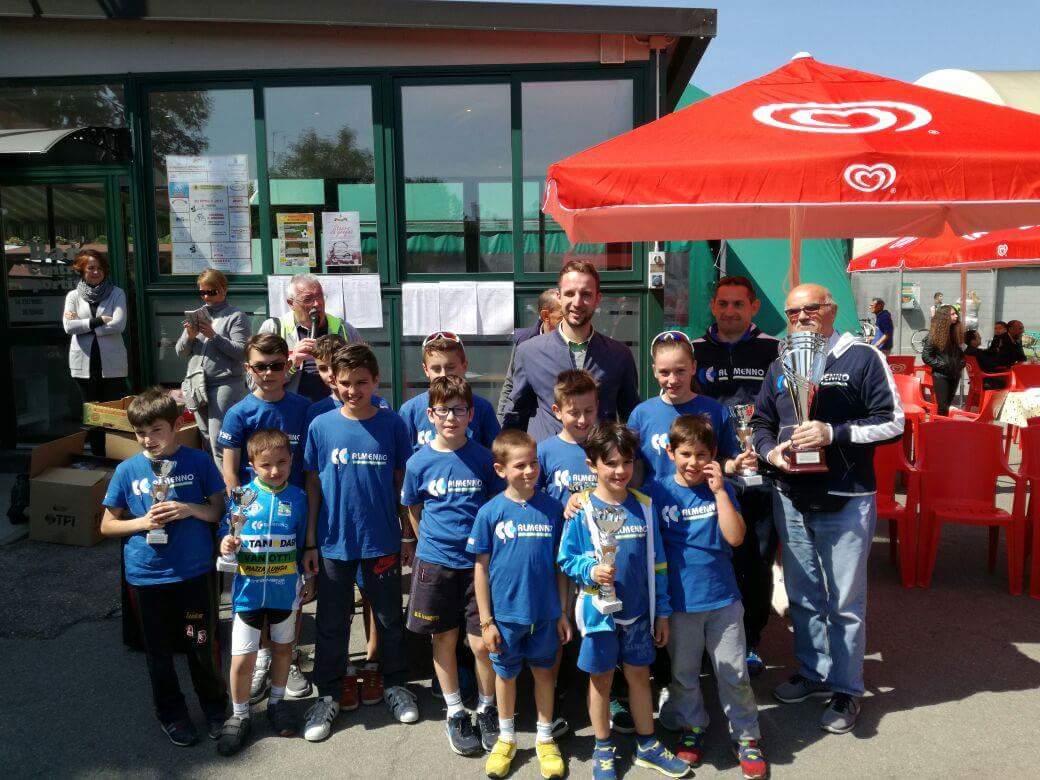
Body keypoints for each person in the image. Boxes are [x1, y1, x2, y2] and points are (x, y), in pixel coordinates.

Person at [751, 283, 903, 735]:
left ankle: (847, 688)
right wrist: (771, 453)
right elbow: (761, 422)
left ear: (832, 310)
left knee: (845, 602)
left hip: (845, 496)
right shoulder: (781, 361)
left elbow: (893, 422)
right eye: (792, 312)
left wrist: (833, 433)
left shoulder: (862, 357)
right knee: (802, 595)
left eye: (810, 309)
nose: (801, 318)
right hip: (791, 494)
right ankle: (813, 671)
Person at [558, 422, 690, 780]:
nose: (620, 470)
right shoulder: (581, 508)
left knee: (640, 676)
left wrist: (662, 612)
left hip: (639, 613)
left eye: (627, 462)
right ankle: (603, 748)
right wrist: (590, 569)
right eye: (611, 463)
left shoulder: (644, 506)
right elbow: (566, 558)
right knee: (600, 680)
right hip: (598, 614)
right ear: (592, 465)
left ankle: (647, 744)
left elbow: (658, 563)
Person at [301, 344, 419, 741]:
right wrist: (310, 541)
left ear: (376, 381)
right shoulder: (321, 426)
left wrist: (406, 533)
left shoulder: (392, 425)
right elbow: (313, 485)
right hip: (333, 543)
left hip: (381, 540)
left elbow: (402, 484)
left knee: (387, 618)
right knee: (332, 621)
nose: (353, 391)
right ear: (334, 382)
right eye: (345, 383)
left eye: (361, 383)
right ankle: (329, 693)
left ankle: (395, 683)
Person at [99, 388, 227, 746]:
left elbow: (218, 510)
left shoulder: (198, 462)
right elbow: (107, 525)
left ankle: (215, 707)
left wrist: (188, 509)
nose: (148, 439)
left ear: (176, 425)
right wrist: (143, 523)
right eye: (140, 432)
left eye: (156, 430)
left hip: (193, 573)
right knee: (158, 652)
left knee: (200, 643)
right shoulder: (127, 470)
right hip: (147, 577)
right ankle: (171, 713)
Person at [649, 415, 767, 779]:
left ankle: (746, 736)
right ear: (670, 453)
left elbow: (735, 537)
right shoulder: (657, 492)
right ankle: (693, 725)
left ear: (713, 455)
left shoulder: (723, 489)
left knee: (733, 672)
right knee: (684, 673)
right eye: (685, 454)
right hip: (680, 604)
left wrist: (719, 493)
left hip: (723, 600)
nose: (693, 462)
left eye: (701, 454)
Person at [402, 375, 505, 757]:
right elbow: (413, 508)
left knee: (482, 643)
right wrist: (426, 544)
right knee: (443, 638)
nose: (451, 417)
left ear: (471, 414)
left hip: (478, 566)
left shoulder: (483, 458)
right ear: (430, 414)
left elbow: (495, 508)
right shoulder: (418, 462)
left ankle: (487, 708)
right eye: (443, 410)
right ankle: (456, 711)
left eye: (459, 410)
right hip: (436, 564)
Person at [691, 275, 783, 676]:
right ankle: (703, 642)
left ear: (754, 307)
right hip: (707, 475)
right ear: (713, 306)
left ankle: (750, 640)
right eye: (723, 304)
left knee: (757, 561)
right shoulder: (694, 350)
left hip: (760, 473)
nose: (730, 311)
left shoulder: (775, 349)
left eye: (738, 304)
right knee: (710, 557)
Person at [469, 429, 570, 780]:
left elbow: (560, 566)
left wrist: (562, 612)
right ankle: (507, 738)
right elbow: (481, 569)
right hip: (506, 618)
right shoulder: (490, 512)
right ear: (500, 470)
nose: (529, 471)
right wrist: (486, 622)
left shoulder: (553, 509)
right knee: (506, 675)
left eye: (534, 464)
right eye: (520, 465)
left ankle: (545, 738)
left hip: (545, 615)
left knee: (544, 674)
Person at [216, 429, 313, 756]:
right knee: (242, 658)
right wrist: (225, 542)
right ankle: (240, 714)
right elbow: (225, 532)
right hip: (248, 592)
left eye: (282, 463)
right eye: (266, 465)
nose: (274, 470)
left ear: (291, 461)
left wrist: (307, 577)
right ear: (252, 465)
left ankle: (277, 702)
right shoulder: (242, 496)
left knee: (284, 650)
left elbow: (303, 544)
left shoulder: (298, 497)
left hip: (284, 590)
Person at [502, 261, 640, 442]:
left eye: (586, 294)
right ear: (559, 297)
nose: (577, 302)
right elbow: (515, 415)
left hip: (600, 456)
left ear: (598, 299)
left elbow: (632, 417)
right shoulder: (529, 352)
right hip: (546, 456)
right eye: (569, 294)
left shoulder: (619, 355)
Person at [627, 331, 748, 483]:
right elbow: (634, 466)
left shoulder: (715, 410)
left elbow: (724, 460)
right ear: (654, 371)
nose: (672, 380)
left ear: (693, 367)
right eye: (664, 372)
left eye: (680, 371)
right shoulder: (641, 414)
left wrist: (735, 466)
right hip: (654, 497)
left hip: (704, 497)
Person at [175, 269, 251, 466]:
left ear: (224, 290)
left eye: (212, 292)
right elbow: (180, 352)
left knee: (219, 439)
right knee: (206, 437)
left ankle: (228, 482)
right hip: (197, 383)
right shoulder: (197, 315)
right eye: (203, 292)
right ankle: (216, 481)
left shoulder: (236, 316)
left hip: (225, 383)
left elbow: (242, 352)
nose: (207, 297)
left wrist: (214, 336)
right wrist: (189, 336)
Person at [219, 334, 311, 493]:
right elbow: (230, 472)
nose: (268, 372)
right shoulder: (237, 414)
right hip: (253, 503)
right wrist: (241, 506)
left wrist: (310, 505)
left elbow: (311, 469)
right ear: (248, 368)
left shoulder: (305, 408)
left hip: (297, 502)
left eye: (276, 366)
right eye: (260, 367)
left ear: (288, 365)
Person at [259, 273, 362, 402]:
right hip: (290, 408)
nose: (317, 304)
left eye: (320, 296)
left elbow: (365, 373)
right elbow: (255, 383)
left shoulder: (344, 329)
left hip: (335, 407)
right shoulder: (273, 329)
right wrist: (292, 363)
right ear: (291, 303)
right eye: (308, 299)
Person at [63, 248, 128, 449]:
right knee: (92, 413)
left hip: (111, 364)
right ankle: (97, 454)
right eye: (91, 268)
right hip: (84, 364)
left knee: (113, 414)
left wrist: (84, 326)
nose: (96, 272)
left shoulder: (117, 293)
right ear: (82, 270)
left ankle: (115, 454)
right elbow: (68, 327)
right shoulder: (73, 296)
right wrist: (99, 321)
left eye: (100, 268)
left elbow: (119, 325)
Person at [398, 332, 500, 451]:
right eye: (436, 369)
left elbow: (497, 456)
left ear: (464, 366)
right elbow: (403, 458)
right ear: (426, 370)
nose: (443, 374)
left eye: (450, 367)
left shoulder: (482, 408)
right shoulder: (410, 411)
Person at [497, 288, 563, 421]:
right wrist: (501, 421)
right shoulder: (524, 341)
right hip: (529, 420)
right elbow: (510, 384)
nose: (568, 322)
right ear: (545, 316)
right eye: (562, 317)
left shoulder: (571, 342)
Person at [537, 369, 599, 503]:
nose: (582, 420)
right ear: (557, 411)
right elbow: (530, 498)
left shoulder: (606, 449)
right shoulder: (543, 452)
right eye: (574, 413)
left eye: (588, 411)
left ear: (597, 406)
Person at [921, 305, 965, 415]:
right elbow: (926, 356)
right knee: (943, 407)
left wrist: (961, 363)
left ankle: (945, 424)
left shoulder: (955, 333)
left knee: (948, 405)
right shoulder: (934, 335)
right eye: (953, 314)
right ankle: (939, 424)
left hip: (955, 374)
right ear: (944, 317)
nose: (956, 316)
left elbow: (960, 352)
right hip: (941, 375)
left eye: (956, 314)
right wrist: (942, 365)